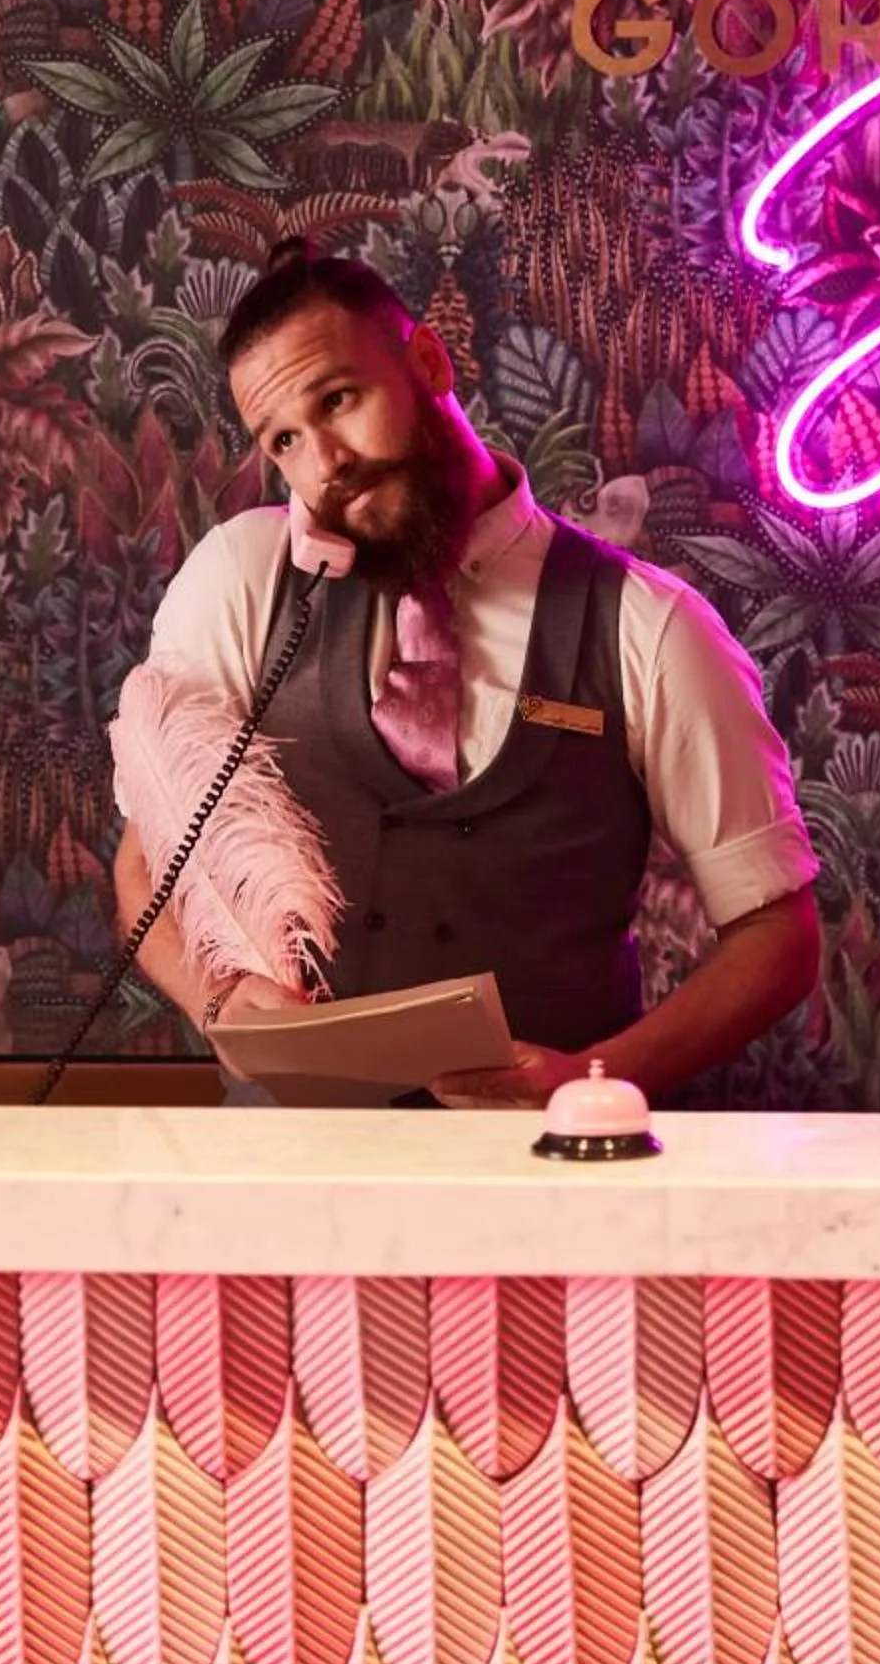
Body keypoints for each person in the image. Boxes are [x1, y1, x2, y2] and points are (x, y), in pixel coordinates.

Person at [106, 246, 821, 1105]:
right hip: (289, 1177)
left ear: (429, 362)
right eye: (285, 440)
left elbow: (779, 935)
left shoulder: (649, 624)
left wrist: (594, 1079)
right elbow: (146, 867)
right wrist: (216, 997)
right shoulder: (243, 580)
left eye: (339, 399)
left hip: (547, 1182)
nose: (326, 460)